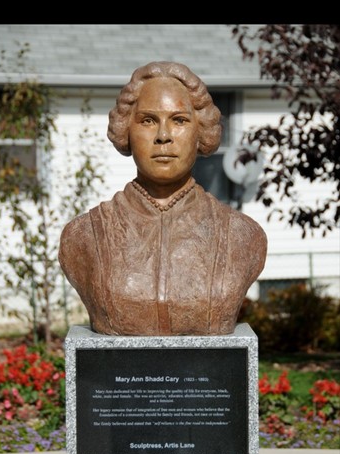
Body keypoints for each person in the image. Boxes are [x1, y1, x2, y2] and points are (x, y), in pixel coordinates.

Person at [59, 61, 267, 336]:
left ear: (200, 131)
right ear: (127, 132)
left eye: (179, 120)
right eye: (148, 121)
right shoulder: (83, 236)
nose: (164, 136)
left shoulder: (243, 236)